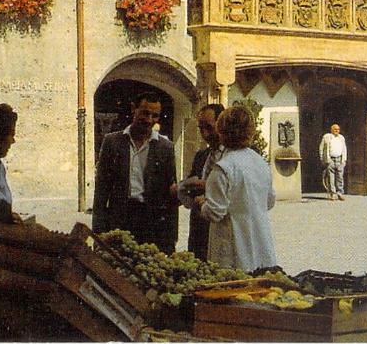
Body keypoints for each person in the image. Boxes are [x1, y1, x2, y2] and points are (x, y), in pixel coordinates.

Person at [92, 92, 179, 253]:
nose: (149, 120)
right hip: (120, 220)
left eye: (155, 116)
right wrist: (98, 233)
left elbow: (170, 195)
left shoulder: (165, 148)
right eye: (145, 113)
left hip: (151, 223)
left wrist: (171, 237)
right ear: (134, 109)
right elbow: (101, 192)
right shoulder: (112, 142)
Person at [197, 104, 277, 270]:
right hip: (260, 239)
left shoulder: (223, 168)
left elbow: (215, 212)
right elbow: (269, 202)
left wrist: (201, 203)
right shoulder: (260, 162)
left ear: (221, 131)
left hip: (233, 245)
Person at [178, 103, 224, 257]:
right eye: (201, 128)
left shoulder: (233, 157)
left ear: (222, 124)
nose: (205, 134)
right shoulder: (201, 156)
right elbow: (191, 190)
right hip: (199, 234)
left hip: (221, 232)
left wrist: (208, 186)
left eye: (209, 128)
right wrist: (184, 188)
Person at [319, 123, 347, 201]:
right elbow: (321, 148)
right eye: (335, 129)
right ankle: (333, 194)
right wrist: (322, 159)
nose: (336, 131)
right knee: (331, 177)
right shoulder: (326, 137)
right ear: (331, 130)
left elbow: (344, 149)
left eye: (338, 129)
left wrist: (344, 160)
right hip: (330, 159)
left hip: (339, 159)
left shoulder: (341, 138)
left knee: (340, 177)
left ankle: (340, 193)